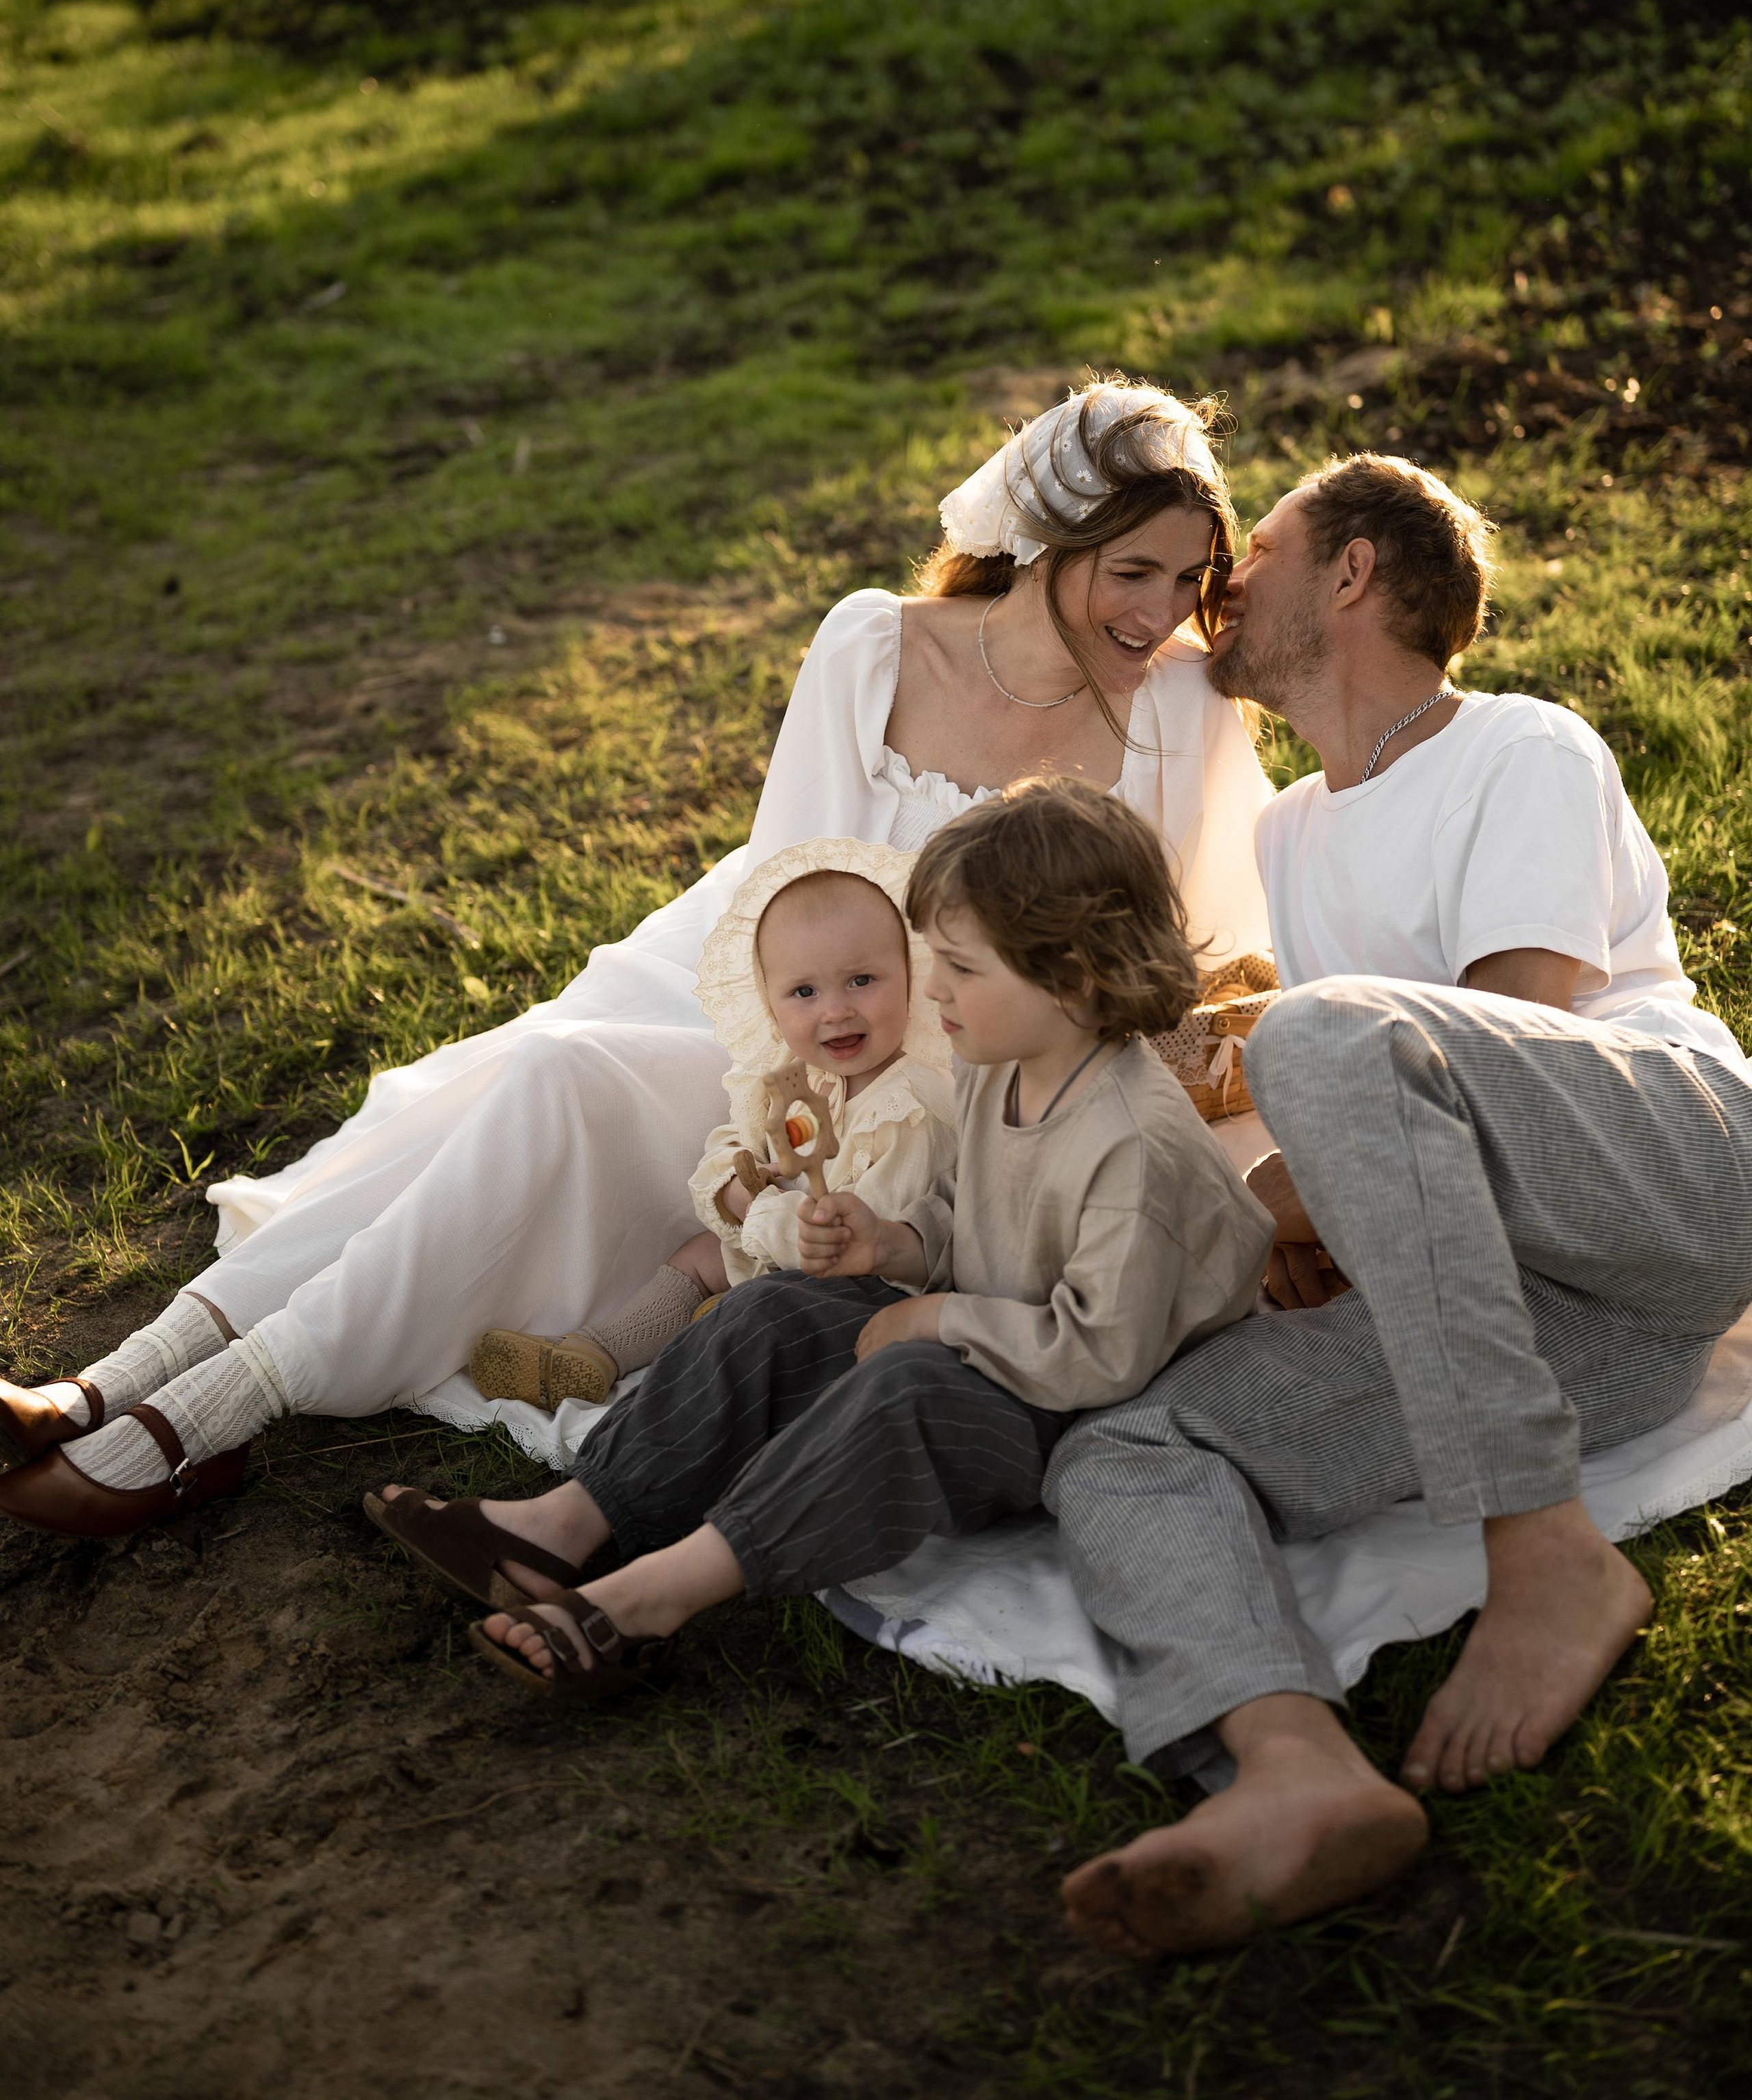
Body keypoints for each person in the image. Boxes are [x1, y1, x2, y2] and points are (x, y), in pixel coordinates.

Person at [0, 380, 1274, 1536]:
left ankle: (225, 1405)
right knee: (509, 1082)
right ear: (1047, 543)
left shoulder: (1178, 707)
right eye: (1133, 571)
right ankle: (116, 1377)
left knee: (564, 1084)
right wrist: (787, 1062)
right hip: (774, 995)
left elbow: (1208, 945)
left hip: (946, 1079)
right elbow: (784, 885)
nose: (1161, 612)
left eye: (1186, 579)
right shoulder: (877, 642)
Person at [1046, 453, 1752, 1959]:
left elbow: (1502, 1024)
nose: (1214, 591)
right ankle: (1286, 1766)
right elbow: (1378, 1121)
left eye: (1259, 552)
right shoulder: (1288, 831)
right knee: (1125, 1441)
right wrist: (1327, 1211)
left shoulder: (1519, 747)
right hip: (1557, 1336)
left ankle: (1541, 1549)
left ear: (1351, 570)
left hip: (1675, 1177)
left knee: (1321, 1038)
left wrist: (1300, 1204)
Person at [368, 780, 1273, 1704]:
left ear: (1071, 975)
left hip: (1096, 1402)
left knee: (907, 1384)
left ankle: (644, 1601)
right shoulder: (1001, 1068)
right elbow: (969, 1209)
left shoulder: (1134, 1147)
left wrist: (937, 1316)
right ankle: (566, 1523)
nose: (937, 990)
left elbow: (1102, 1354)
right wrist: (896, 1245)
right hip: (1007, 1335)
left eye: (961, 968)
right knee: (773, 1310)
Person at [467, 837, 957, 1409]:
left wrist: (765, 1213)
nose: (836, 1010)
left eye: (862, 981)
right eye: (804, 991)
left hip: (857, 1293)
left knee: (760, 1304)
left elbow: (869, 1237)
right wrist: (736, 1182)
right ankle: (591, 1354)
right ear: (770, 1002)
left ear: (910, 976)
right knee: (701, 1253)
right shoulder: (799, 1078)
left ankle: (700, 1354)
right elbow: (739, 1139)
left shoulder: (913, 1105)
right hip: (778, 1247)